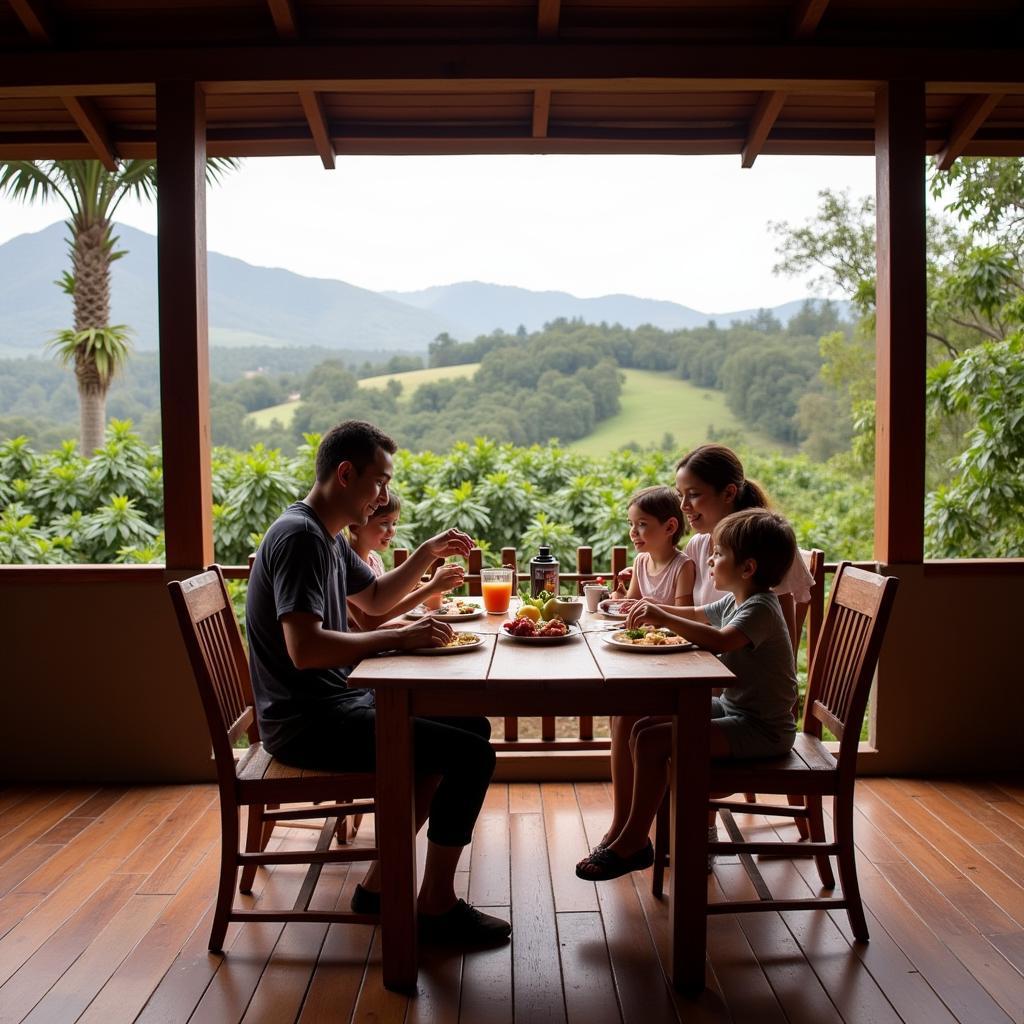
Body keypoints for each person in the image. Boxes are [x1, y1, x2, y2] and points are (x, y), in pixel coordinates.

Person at [246, 419, 510, 946]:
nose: (383, 496)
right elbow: (306, 649)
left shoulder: (323, 533)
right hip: (309, 722)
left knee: (471, 728)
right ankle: (435, 906)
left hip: (334, 703)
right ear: (345, 474)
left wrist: (427, 553)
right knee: (471, 755)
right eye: (380, 482)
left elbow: (374, 601)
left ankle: (378, 886)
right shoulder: (299, 537)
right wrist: (395, 641)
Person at [597, 444, 813, 861]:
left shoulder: (760, 552)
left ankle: (682, 827)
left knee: (651, 729)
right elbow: (694, 608)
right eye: (682, 495)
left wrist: (670, 621)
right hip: (722, 686)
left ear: (728, 493)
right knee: (629, 714)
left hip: (746, 697)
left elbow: (776, 634)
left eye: (693, 494)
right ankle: (626, 827)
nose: (684, 505)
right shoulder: (703, 548)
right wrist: (645, 594)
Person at [346, 493, 460, 630]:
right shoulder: (348, 566)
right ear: (355, 525)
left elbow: (384, 606)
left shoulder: (374, 559)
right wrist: (430, 588)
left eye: (394, 523)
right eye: (384, 523)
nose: (392, 531)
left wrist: (415, 589)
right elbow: (368, 623)